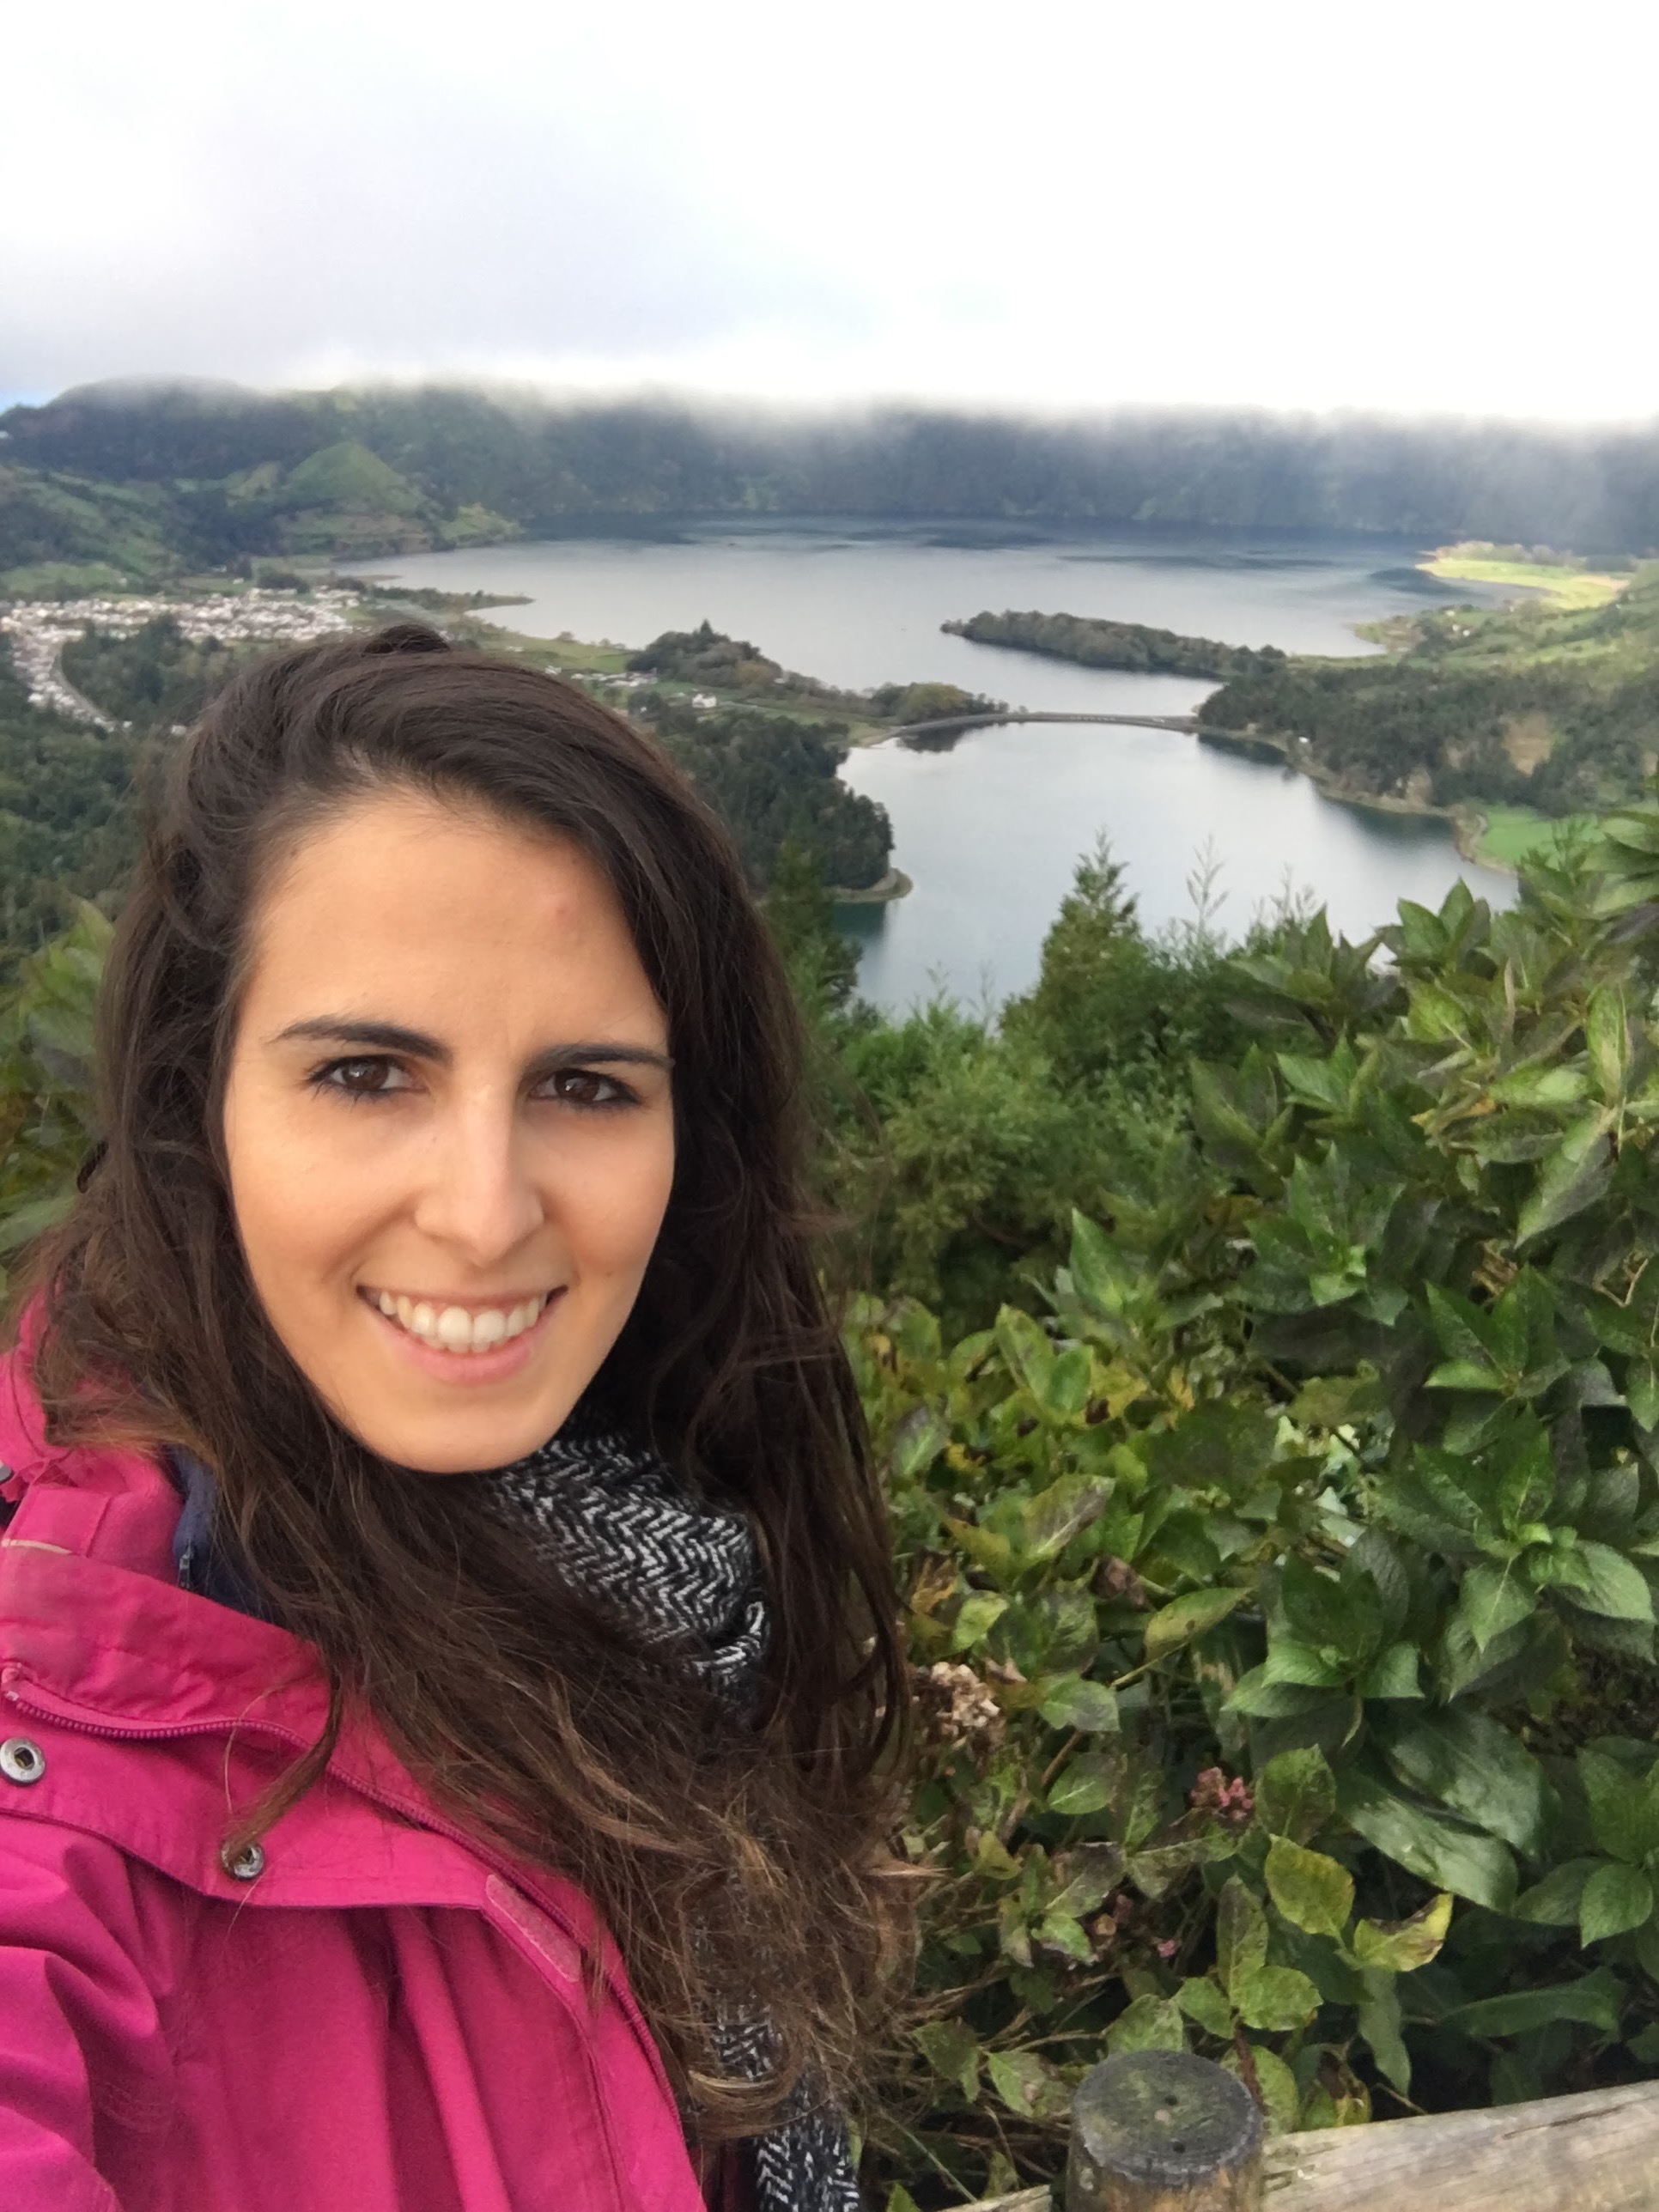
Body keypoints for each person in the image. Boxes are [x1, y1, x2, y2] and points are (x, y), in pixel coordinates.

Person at [0, 623, 909, 2212]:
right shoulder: (59, 1751)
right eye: (367, 1075)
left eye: (586, 1086)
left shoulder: (660, 1547)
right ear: (196, 1102)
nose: (485, 1216)